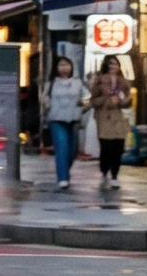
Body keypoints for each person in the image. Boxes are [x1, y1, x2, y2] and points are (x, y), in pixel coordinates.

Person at [89, 55, 133, 189]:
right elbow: (93, 100)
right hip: (104, 116)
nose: (113, 66)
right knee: (106, 147)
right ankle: (104, 170)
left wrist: (122, 101)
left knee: (118, 146)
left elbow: (128, 100)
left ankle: (115, 175)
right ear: (106, 65)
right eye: (110, 64)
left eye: (116, 64)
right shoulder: (99, 81)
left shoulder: (123, 82)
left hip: (119, 117)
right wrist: (105, 99)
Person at [45, 56, 89, 188]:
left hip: (74, 119)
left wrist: (82, 106)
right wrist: (48, 108)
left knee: (72, 151)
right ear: (56, 68)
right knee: (62, 148)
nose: (64, 68)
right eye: (61, 65)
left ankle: (64, 170)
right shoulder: (51, 83)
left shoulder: (78, 82)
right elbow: (45, 100)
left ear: (71, 67)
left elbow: (87, 97)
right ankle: (63, 178)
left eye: (66, 65)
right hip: (57, 119)